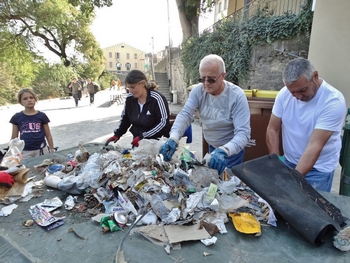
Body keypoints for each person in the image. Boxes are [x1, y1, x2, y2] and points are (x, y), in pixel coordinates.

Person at [159, 54, 251, 175]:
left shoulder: (236, 96)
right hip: (212, 147)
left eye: (211, 79)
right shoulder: (198, 91)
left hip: (231, 151)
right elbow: (185, 114)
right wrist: (174, 137)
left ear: (223, 76)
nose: (206, 83)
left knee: (230, 186)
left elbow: (244, 134)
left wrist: (224, 151)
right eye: (203, 79)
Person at [266, 58, 347, 192]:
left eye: (302, 90)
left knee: (311, 209)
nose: (297, 96)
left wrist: (292, 180)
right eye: (293, 92)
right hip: (289, 161)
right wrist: (276, 162)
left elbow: (315, 145)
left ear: (315, 76)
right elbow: (272, 129)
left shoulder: (333, 101)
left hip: (319, 169)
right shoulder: (283, 94)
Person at [105, 70, 171, 148]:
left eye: (133, 87)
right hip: (138, 142)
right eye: (128, 87)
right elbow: (126, 118)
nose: (130, 91)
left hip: (157, 143)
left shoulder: (157, 98)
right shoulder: (130, 99)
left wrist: (142, 136)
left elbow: (163, 123)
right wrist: (118, 134)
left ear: (143, 83)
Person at [9, 88, 55, 160]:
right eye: (25, 98)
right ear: (20, 102)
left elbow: (48, 135)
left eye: (31, 97)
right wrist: (12, 153)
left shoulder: (42, 116)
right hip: (25, 152)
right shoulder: (17, 117)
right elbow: (14, 138)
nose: (29, 100)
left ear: (35, 99)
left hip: (41, 149)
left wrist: (52, 149)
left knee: (44, 168)